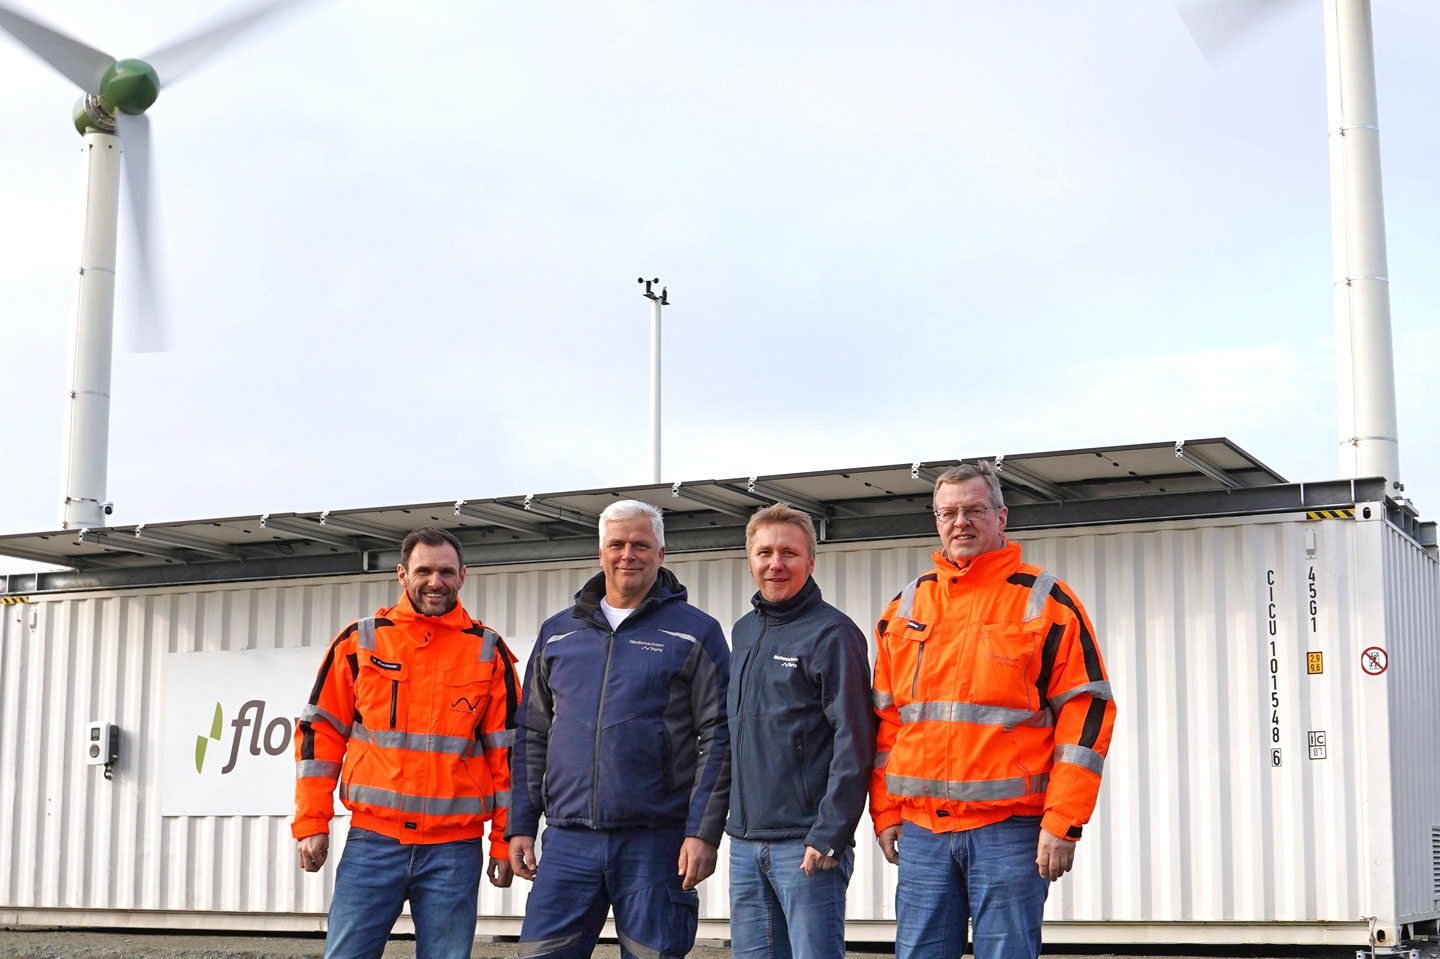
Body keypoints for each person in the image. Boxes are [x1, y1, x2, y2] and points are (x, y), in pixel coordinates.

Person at [870, 463, 1116, 959]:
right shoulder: (906, 606)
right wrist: (886, 810)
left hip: (1010, 832)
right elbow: (888, 720)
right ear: (936, 520)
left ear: (1001, 517)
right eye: (948, 512)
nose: (960, 522)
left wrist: (1063, 819)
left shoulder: (1046, 601)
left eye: (974, 510)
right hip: (922, 830)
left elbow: (1086, 712)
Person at [508, 499, 731, 959]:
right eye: (617, 544)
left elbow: (719, 735)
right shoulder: (557, 634)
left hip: (656, 843)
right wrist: (520, 825)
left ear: (662, 553)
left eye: (641, 545)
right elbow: (532, 732)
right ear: (600, 552)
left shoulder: (695, 632)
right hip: (568, 841)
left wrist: (703, 832)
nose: (628, 554)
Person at [292, 526, 519, 959]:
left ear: (463, 576)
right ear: (402, 574)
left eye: (446, 572)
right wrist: (311, 822)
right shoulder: (360, 641)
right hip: (373, 843)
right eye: (425, 571)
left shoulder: (488, 652)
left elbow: (508, 756)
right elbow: (319, 736)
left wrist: (504, 841)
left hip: (454, 850)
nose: (436, 582)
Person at [725, 504, 874, 959]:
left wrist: (830, 833)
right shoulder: (744, 631)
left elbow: (856, 741)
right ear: (750, 559)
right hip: (745, 847)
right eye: (764, 552)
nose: (776, 564)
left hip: (806, 847)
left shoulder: (833, 633)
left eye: (789, 552)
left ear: (811, 560)